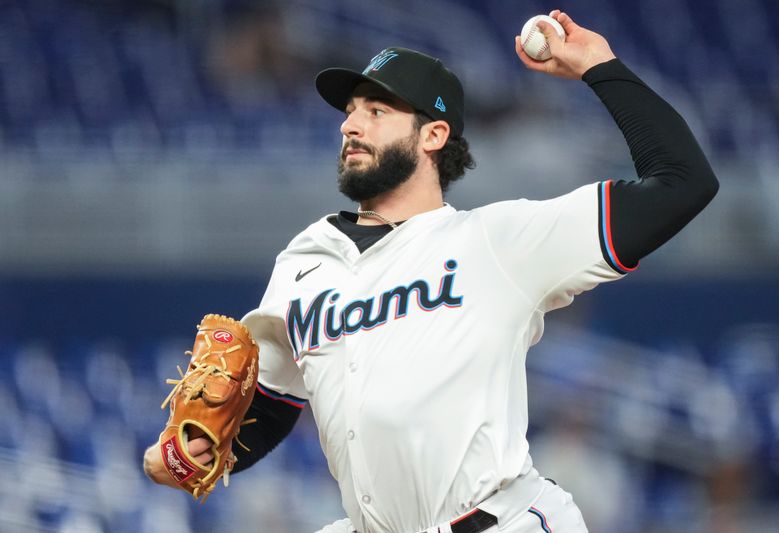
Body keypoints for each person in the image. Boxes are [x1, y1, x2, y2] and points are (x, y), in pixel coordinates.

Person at [143, 9, 718, 533]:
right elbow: (270, 405)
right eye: (350, 112)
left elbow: (682, 181)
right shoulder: (304, 261)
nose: (350, 126)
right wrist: (197, 450)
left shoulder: (499, 241)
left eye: (377, 111)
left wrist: (599, 66)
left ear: (434, 135)